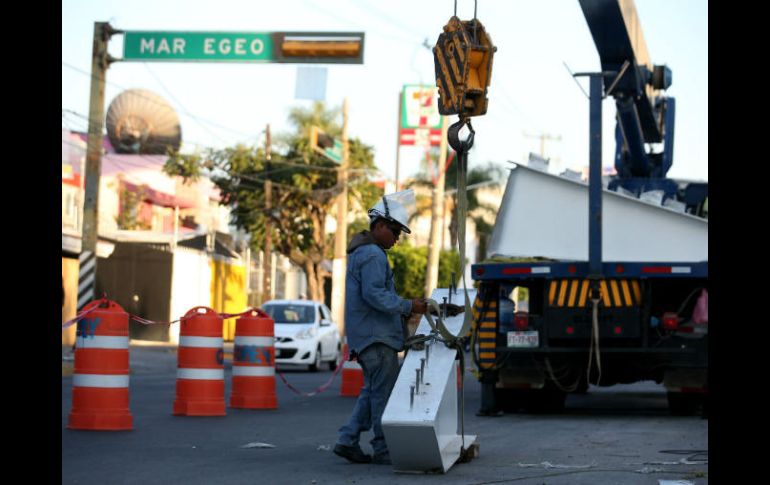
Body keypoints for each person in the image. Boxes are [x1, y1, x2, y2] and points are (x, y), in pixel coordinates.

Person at [333, 191, 427, 465]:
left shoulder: (363, 251)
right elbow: (374, 294)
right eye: (395, 231)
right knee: (382, 395)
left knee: (373, 390)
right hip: (377, 338)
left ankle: (347, 439)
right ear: (380, 225)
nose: (397, 239)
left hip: (368, 336)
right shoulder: (373, 254)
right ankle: (383, 447)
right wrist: (409, 306)